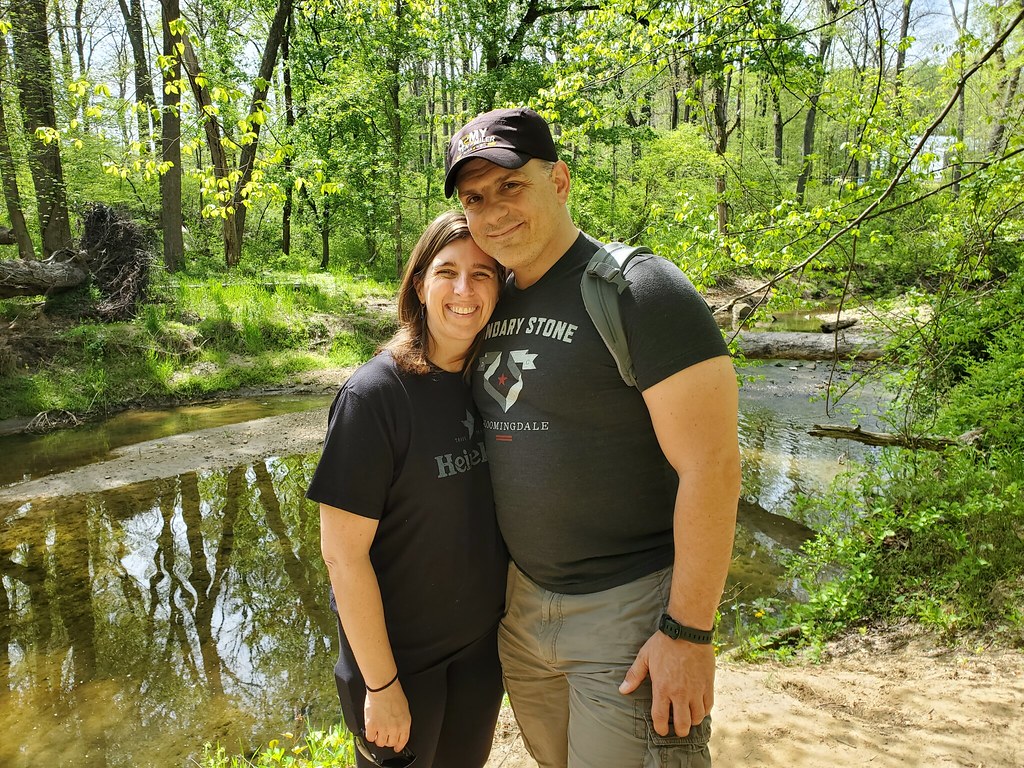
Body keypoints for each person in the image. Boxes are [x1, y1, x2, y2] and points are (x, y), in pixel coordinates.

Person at [444, 107, 742, 768]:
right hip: (523, 616)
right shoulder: (489, 299)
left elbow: (714, 467)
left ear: (559, 180)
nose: (492, 211)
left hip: (629, 616)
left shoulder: (639, 290)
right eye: (474, 198)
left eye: (510, 186)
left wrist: (688, 633)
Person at [306, 210, 508, 768]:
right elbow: (342, 557)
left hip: (476, 657)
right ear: (420, 284)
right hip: (398, 666)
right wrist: (381, 685)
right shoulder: (374, 398)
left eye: (483, 274)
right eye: (447, 272)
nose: (464, 290)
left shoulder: (492, 386)